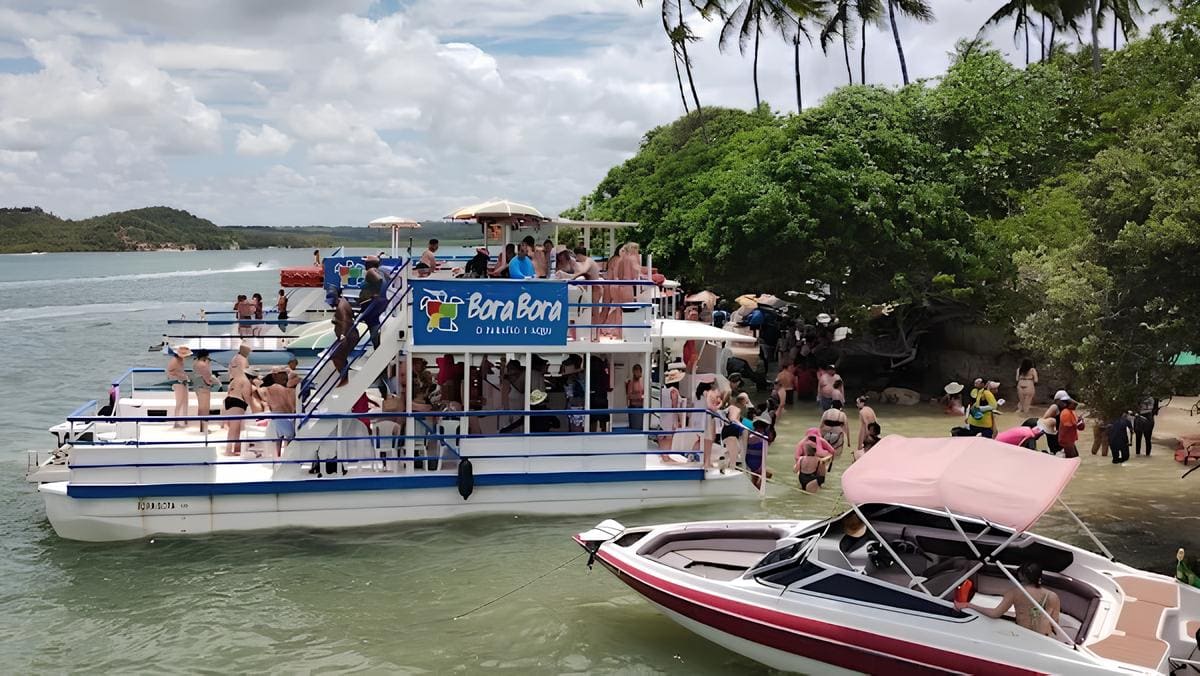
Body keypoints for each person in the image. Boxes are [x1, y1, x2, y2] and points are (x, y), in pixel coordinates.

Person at [956, 563, 1061, 638]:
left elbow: (995, 614)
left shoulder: (1015, 592)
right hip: (1045, 639)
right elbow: (1055, 625)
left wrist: (969, 605)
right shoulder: (1052, 596)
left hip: (1024, 636)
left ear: (1022, 576)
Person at [261, 368, 297, 457]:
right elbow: (292, 408)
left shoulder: (267, 389)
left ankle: (278, 457)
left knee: (278, 440)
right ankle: (287, 456)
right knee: (288, 439)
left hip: (276, 418)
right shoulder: (288, 390)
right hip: (287, 419)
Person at [223, 358, 253, 456]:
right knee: (234, 429)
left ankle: (235, 448)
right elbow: (246, 396)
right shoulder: (245, 381)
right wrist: (251, 407)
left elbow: (228, 392)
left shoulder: (234, 380)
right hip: (237, 401)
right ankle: (228, 450)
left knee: (234, 428)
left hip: (229, 400)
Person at [357, 256, 385, 349]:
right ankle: (377, 345)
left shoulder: (371, 271)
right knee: (374, 323)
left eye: (366, 262)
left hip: (369, 303)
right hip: (372, 303)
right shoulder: (380, 271)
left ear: (370, 264)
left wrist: (377, 292)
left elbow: (380, 280)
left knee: (373, 325)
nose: (364, 264)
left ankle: (377, 347)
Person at [330, 288, 356, 387]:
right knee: (339, 355)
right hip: (347, 334)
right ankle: (345, 375)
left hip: (348, 336)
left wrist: (343, 335)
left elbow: (345, 320)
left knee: (336, 356)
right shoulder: (343, 302)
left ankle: (345, 378)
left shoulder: (341, 306)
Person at [658, 368, 687, 457]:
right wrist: (678, 420)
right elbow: (674, 407)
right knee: (669, 437)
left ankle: (663, 456)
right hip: (671, 418)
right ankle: (667, 456)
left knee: (663, 436)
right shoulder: (673, 391)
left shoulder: (663, 391)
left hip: (663, 416)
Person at [166, 345, 192, 428]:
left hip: (183, 382)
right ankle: (176, 422)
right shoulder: (174, 361)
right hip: (178, 383)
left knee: (185, 401)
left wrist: (184, 377)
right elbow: (169, 373)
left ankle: (185, 420)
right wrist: (180, 377)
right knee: (179, 402)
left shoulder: (180, 360)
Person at [192, 350, 217, 434]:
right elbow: (207, 377)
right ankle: (205, 428)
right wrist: (212, 383)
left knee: (201, 407)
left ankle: (202, 427)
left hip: (197, 387)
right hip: (204, 387)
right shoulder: (203, 365)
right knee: (205, 408)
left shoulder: (195, 363)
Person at [1041, 390, 1071, 455]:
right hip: (1054, 436)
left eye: (1066, 401)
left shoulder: (1066, 409)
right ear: (1057, 401)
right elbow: (1044, 420)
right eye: (1063, 401)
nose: (1065, 403)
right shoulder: (1055, 407)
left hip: (1062, 436)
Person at [626, 363, 645, 431]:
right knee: (635, 428)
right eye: (635, 371)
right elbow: (629, 396)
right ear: (633, 372)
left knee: (641, 428)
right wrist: (639, 396)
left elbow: (645, 392)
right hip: (634, 407)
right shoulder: (631, 382)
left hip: (642, 407)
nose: (637, 373)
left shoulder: (643, 381)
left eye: (638, 371)